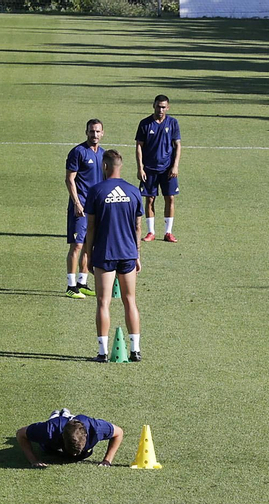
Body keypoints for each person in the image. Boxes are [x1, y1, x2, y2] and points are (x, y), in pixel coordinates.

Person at [84, 150, 144, 361]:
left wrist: (88, 254)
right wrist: (137, 254)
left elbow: (90, 227)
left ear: (105, 166)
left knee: (103, 302)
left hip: (104, 253)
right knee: (130, 300)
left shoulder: (96, 191)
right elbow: (138, 227)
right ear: (121, 166)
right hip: (127, 253)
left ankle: (103, 352)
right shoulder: (134, 191)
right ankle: (135, 350)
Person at [65, 119, 105, 298]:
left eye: (97, 132)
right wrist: (77, 203)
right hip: (80, 207)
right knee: (77, 245)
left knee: (90, 245)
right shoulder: (77, 152)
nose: (94, 135)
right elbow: (69, 179)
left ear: (102, 133)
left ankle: (82, 282)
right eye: (91, 131)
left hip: (95, 208)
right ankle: (70, 286)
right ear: (86, 132)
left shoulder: (103, 154)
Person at [135, 94, 181, 243]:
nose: (160, 110)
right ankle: (151, 232)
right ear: (153, 106)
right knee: (149, 199)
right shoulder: (145, 124)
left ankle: (168, 232)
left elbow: (178, 145)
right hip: (149, 169)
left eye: (163, 107)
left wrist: (175, 166)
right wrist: (140, 168)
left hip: (167, 169)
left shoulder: (173, 123)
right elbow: (139, 147)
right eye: (158, 106)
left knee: (170, 198)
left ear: (168, 107)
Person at [15, 409, 124, 467]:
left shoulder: (95, 428)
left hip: (80, 422)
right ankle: (56, 416)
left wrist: (107, 460)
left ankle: (66, 415)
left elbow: (119, 432)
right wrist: (33, 460)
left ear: (86, 435)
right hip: (54, 436)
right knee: (47, 448)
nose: (74, 455)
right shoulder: (49, 430)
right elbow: (20, 434)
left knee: (80, 455)